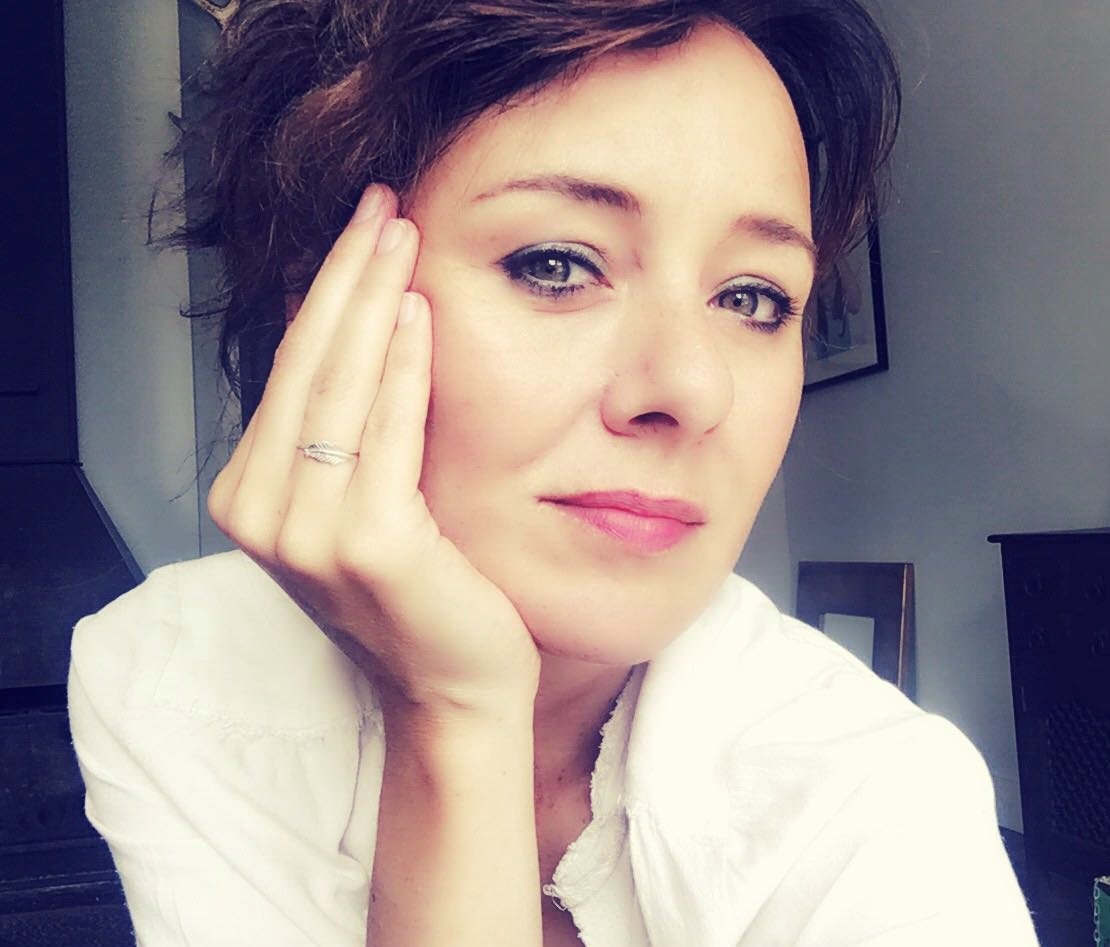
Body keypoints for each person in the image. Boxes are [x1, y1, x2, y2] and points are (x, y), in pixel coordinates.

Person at [67, 1, 1039, 945]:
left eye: (751, 296)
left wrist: (455, 709)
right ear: (327, 308)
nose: (692, 388)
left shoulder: (877, 792)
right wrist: (459, 713)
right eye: (558, 264)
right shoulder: (175, 673)